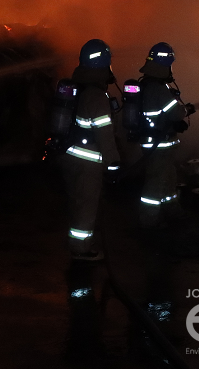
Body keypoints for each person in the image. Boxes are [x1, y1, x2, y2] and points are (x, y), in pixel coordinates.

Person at [61, 39, 120, 261]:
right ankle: (81, 250)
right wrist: (113, 163)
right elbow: (104, 134)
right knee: (87, 204)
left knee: (76, 201)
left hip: (69, 156)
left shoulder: (77, 87)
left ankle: (76, 242)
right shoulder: (96, 96)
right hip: (88, 162)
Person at [135, 42, 192, 228]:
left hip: (157, 142)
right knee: (155, 183)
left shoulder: (146, 85)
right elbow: (175, 112)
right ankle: (149, 220)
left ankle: (170, 209)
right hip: (159, 144)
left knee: (168, 178)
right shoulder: (159, 89)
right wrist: (186, 110)